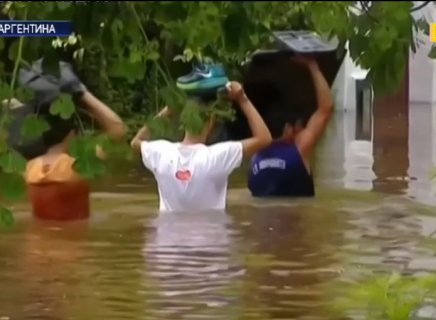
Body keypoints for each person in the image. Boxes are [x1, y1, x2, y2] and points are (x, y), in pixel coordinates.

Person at [130, 81, 272, 212]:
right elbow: (264, 138)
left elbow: (135, 141)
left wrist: (167, 110)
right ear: (211, 122)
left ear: (182, 122)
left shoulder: (161, 153)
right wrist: (242, 99)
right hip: (209, 238)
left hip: (168, 239)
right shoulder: (218, 156)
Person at [24, 89, 126, 221]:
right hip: (74, 241)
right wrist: (82, 93)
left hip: (36, 241)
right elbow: (118, 130)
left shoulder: (29, 169)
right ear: (71, 134)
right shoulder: (77, 168)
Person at [247, 55, 334, 197]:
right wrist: (313, 67)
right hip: (297, 214)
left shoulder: (254, 150)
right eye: (300, 125)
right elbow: (326, 109)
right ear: (288, 128)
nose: (301, 128)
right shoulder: (300, 147)